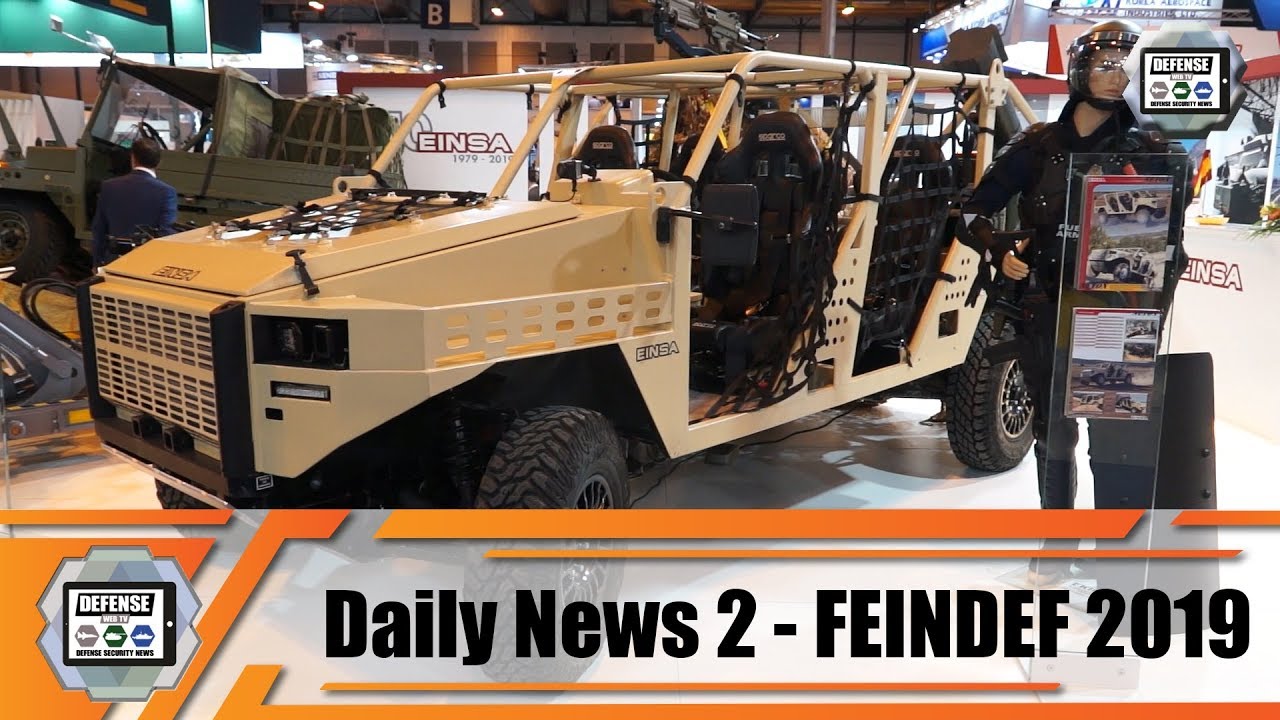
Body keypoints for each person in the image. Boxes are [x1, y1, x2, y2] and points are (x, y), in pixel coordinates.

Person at [960, 20, 1183, 584]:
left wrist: (1153, 301)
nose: (1115, 76)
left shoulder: (1151, 146)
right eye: (1105, 64)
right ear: (1080, 69)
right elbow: (971, 209)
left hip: (1117, 308)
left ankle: (1118, 553)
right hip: (1048, 303)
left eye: (1125, 67)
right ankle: (1057, 543)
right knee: (1053, 428)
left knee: (1114, 431)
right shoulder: (1037, 146)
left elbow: (1172, 241)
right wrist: (999, 247)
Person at [91, 138, 178, 268]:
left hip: (114, 262)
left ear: (133, 158)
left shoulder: (109, 186)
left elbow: (99, 229)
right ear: (159, 162)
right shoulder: (166, 192)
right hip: (148, 265)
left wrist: (97, 262)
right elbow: (166, 233)